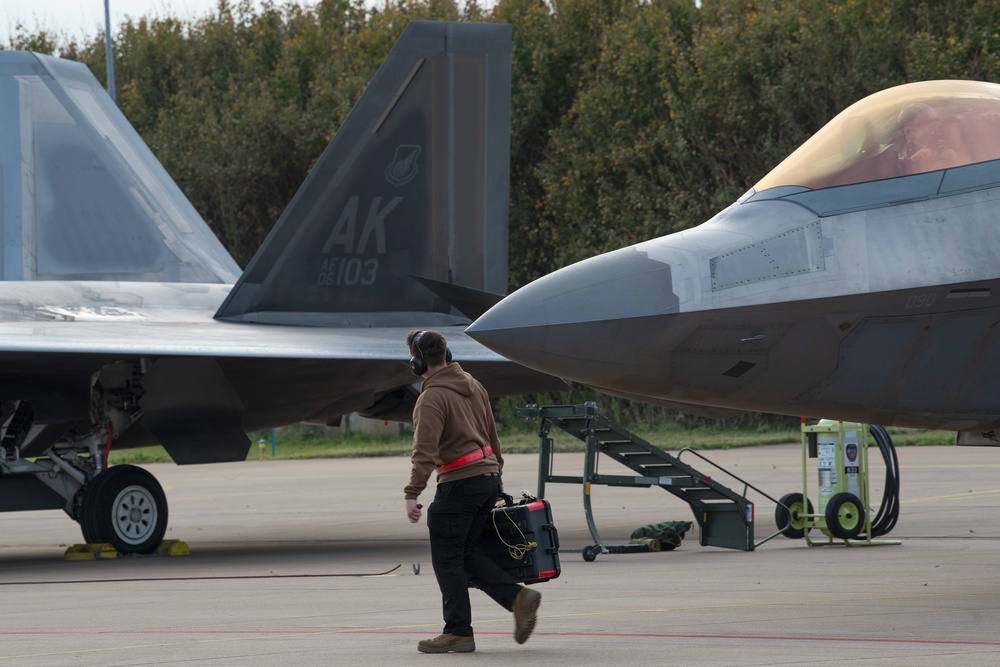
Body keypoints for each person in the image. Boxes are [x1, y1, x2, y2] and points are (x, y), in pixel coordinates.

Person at [403, 329, 541, 654]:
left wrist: (412, 493)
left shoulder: (431, 398)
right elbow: (493, 437)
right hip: (486, 479)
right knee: (465, 553)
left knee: (448, 557)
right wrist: (497, 477)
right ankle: (517, 598)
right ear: (446, 355)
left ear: (416, 362)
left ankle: (458, 632)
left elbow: (424, 451)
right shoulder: (473, 385)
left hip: (459, 484)